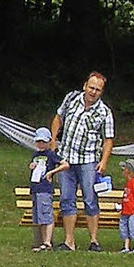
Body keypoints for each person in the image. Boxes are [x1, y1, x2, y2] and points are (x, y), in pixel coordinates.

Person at [49, 71, 114, 251]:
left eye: (98, 90)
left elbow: (108, 139)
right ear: (85, 85)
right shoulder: (71, 99)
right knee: (66, 198)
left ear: (101, 92)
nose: (93, 92)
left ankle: (94, 241)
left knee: (90, 199)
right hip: (65, 159)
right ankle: (69, 241)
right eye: (91, 87)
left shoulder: (104, 112)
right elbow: (58, 118)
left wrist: (104, 161)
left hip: (88, 160)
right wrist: (53, 139)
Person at [28, 127, 70, 251]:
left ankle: (48, 242)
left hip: (45, 189)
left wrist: (51, 172)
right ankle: (41, 241)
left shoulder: (51, 154)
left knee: (46, 216)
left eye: (43, 142)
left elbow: (65, 165)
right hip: (35, 188)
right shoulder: (36, 154)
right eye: (39, 142)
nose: (41, 144)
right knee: (38, 217)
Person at [118, 158, 134, 254]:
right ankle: (126, 247)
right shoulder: (128, 183)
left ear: (129, 171)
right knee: (124, 230)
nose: (122, 171)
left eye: (124, 169)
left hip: (132, 211)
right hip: (125, 211)